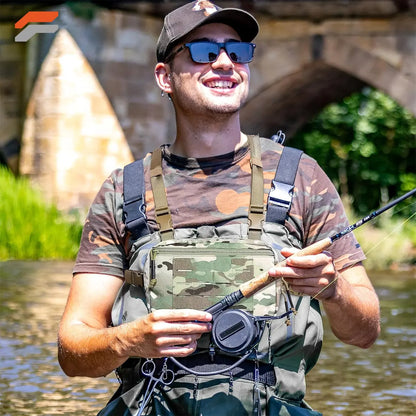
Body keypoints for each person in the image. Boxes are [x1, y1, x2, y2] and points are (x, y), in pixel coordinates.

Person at [58, 1, 380, 415]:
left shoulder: (302, 177)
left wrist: (332, 289)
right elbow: (72, 350)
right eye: (204, 51)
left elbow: (365, 332)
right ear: (165, 77)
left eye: (238, 51)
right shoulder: (124, 191)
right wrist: (128, 340)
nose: (225, 62)